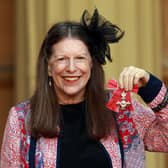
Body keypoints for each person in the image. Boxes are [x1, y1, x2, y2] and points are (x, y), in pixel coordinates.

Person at [1, 9, 168, 168]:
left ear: (91, 64)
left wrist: (150, 85)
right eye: (62, 59)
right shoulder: (22, 118)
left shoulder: (120, 109)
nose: (71, 68)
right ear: (48, 67)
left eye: (80, 58)